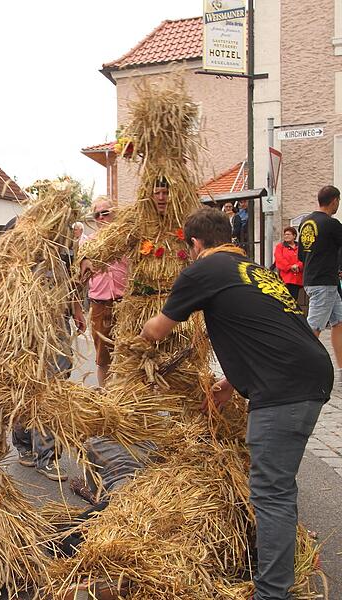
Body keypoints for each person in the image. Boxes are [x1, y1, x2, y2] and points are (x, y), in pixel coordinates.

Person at [140, 206, 331, 600]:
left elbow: (156, 331)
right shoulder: (253, 268)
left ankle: (272, 592)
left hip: (284, 387)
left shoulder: (202, 270)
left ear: (195, 243)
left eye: (189, 246)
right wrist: (231, 381)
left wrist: (136, 332)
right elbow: (264, 327)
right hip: (309, 370)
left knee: (272, 492)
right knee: (276, 485)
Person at [79, 197, 129, 387]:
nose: (101, 218)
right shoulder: (87, 244)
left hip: (125, 303)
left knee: (127, 356)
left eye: (105, 213)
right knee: (103, 358)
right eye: (96, 214)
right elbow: (79, 278)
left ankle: (124, 398)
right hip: (99, 305)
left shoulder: (125, 240)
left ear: (114, 213)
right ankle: (105, 398)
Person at [298, 185, 342, 371]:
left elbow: (301, 255)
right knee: (313, 328)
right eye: (338, 201)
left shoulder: (306, 222)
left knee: (339, 321)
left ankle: (341, 365)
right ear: (334, 200)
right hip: (324, 282)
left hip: (312, 278)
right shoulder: (332, 224)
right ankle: (296, 367)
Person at [274, 226, 303, 301]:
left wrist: (298, 265)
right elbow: (279, 259)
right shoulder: (280, 247)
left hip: (298, 278)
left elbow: (304, 258)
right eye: (285, 234)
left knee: (295, 299)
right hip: (285, 278)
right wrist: (290, 267)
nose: (286, 236)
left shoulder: (300, 247)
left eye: (288, 234)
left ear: (294, 236)